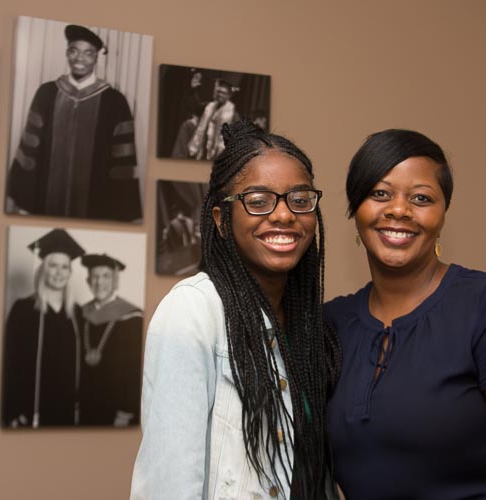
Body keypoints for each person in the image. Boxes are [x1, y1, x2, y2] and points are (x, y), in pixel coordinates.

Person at [325, 129, 486, 498]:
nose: (399, 210)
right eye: (380, 193)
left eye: (421, 198)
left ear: (442, 215)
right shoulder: (331, 324)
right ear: (355, 208)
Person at [130, 120, 341, 499]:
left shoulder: (310, 326)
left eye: (300, 199)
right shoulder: (194, 310)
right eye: (258, 201)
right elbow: (168, 485)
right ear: (221, 220)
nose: (283, 215)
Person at [7, 24, 142, 222]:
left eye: (88, 53)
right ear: (67, 54)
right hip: (45, 201)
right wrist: (24, 200)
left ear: (96, 57)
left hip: (95, 205)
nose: (80, 59)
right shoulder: (46, 93)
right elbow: (29, 151)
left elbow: (123, 164)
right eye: (74, 51)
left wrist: (121, 210)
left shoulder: (115, 102)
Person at [1, 229, 85, 428]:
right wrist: (12, 409)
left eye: (65, 267)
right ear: (43, 269)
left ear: (70, 273)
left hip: (66, 408)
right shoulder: (23, 309)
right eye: (53, 265)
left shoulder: (77, 314)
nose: (59, 273)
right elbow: (9, 362)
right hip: (31, 408)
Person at [76, 253, 143, 426]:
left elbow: (135, 370)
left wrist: (126, 411)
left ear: (115, 280)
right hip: (83, 406)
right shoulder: (80, 314)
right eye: (95, 276)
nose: (99, 282)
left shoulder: (133, 318)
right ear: (88, 281)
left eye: (106, 276)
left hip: (116, 411)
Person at [188, 79, 239, 160]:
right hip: (204, 149)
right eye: (219, 91)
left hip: (219, 153)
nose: (220, 95)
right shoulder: (209, 106)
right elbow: (196, 107)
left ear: (229, 96)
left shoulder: (233, 114)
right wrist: (194, 90)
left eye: (223, 93)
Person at [170, 69, 205, 159]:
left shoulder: (197, 92)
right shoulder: (186, 91)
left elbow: (198, 107)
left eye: (199, 78)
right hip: (185, 122)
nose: (198, 80)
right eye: (196, 77)